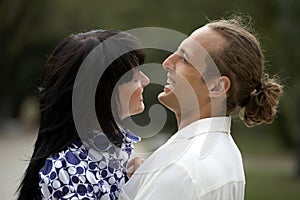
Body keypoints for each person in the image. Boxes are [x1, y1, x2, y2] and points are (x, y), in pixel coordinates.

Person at [120, 17, 283, 200]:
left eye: (185, 59)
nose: (167, 62)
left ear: (216, 87)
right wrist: (147, 183)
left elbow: (181, 177)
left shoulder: (179, 169)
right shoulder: (224, 153)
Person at [17, 29, 150, 199]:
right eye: (134, 78)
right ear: (103, 93)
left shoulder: (111, 152)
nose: (146, 80)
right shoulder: (68, 171)